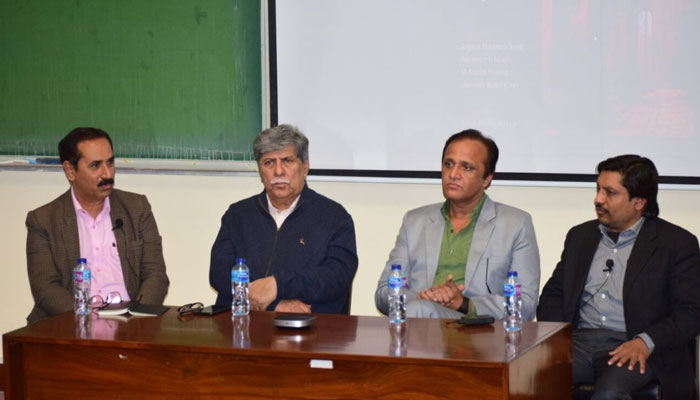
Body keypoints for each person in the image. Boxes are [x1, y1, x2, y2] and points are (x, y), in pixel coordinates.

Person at [537, 155, 700, 399]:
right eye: (598, 189)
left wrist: (645, 342)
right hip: (579, 342)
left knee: (609, 393)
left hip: (633, 344)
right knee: (528, 379)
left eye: (610, 193)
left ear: (639, 202)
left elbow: (691, 312)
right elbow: (553, 294)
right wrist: (560, 339)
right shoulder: (580, 237)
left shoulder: (676, 243)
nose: (598, 199)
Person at [375, 129, 540, 320]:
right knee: (416, 310)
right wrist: (427, 298)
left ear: (487, 178)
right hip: (419, 322)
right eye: (448, 164)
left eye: (466, 168)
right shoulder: (414, 222)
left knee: (416, 312)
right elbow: (383, 293)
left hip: (478, 334)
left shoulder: (515, 224)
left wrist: (464, 304)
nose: (453, 174)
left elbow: (525, 304)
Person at [26, 127, 169, 324]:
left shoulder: (137, 208)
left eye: (110, 162)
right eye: (95, 166)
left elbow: (156, 275)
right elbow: (46, 289)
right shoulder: (43, 220)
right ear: (70, 170)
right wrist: (88, 321)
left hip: (131, 323)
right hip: (69, 324)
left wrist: (136, 318)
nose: (107, 173)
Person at [210, 124, 358, 314]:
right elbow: (219, 273)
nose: (278, 172)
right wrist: (273, 306)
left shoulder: (334, 217)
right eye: (269, 163)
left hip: (311, 329)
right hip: (244, 327)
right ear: (260, 171)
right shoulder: (238, 215)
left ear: (305, 167)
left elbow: (337, 276)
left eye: (287, 161)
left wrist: (278, 285)